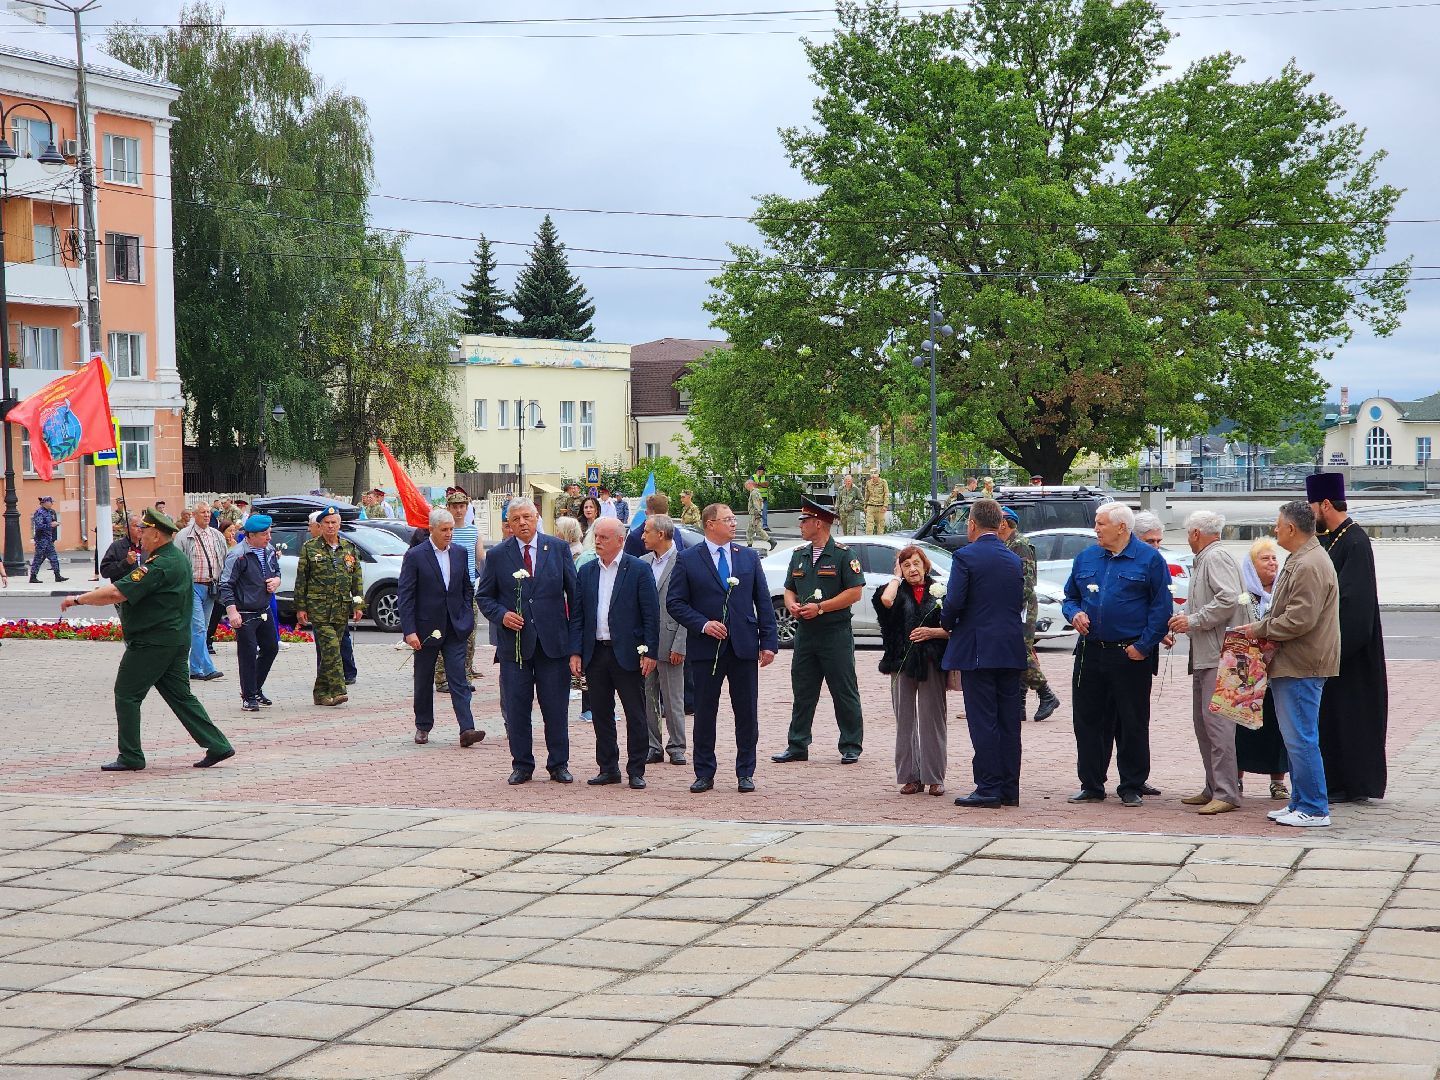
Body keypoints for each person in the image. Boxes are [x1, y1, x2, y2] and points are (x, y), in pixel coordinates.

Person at [60, 508, 234, 771]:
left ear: (156, 535)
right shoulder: (173, 558)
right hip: (174, 640)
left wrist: (77, 599)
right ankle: (218, 744)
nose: (139, 536)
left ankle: (130, 756)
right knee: (181, 696)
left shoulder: (159, 564)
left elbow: (116, 593)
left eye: (144, 531)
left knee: (127, 694)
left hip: (152, 642)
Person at [1061, 502, 1172, 807]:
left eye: (1101, 524)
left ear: (1121, 527)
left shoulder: (1149, 559)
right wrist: (1074, 614)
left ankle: (1132, 784)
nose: (1096, 529)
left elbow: (1161, 608)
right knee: (1088, 720)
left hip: (1130, 653)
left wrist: (1143, 646)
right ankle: (1092, 784)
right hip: (1091, 652)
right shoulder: (1086, 557)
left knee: (1132, 720)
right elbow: (1070, 597)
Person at [1238, 500, 1340, 827]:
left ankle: (1313, 807)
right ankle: (1300, 801)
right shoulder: (1301, 558)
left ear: (1292, 529)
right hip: (1294, 663)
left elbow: (1299, 619)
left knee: (1300, 738)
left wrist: (1259, 628)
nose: (1275, 530)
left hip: (1301, 664)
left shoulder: (1309, 563)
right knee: (1295, 737)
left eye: (1278, 525)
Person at [667, 502, 778, 793]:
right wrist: (703, 624)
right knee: (705, 713)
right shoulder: (689, 559)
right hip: (706, 649)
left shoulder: (748, 557)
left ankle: (745, 772)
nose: (733, 524)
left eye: (733, 518)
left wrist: (768, 642)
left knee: (746, 713)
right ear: (709, 524)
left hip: (743, 647)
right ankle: (704, 772)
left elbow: (763, 602)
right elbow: (675, 603)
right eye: (727, 519)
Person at [476, 498, 581, 785]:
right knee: (517, 708)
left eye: (527, 517)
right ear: (508, 523)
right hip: (516, 648)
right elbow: (484, 596)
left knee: (555, 709)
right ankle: (522, 764)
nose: (522, 523)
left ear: (537, 518)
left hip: (553, 645)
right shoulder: (497, 555)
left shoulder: (558, 549)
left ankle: (558, 764)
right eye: (516, 519)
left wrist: (575, 645)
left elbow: (575, 596)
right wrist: (502, 615)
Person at [939, 499, 1027, 808]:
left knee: (983, 721)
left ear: (973, 524)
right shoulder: (1013, 558)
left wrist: (947, 624)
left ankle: (988, 786)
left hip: (978, 648)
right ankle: (1008, 788)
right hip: (1010, 647)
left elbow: (954, 602)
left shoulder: (965, 556)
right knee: (1008, 721)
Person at [1308, 473, 1387, 803]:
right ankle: (1336, 781)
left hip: (1350, 653)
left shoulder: (1354, 541)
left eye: (1312, 505)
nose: (1310, 511)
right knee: (1332, 720)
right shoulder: (1332, 538)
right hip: (1334, 650)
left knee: (1352, 719)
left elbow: (1354, 605)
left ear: (1326, 504)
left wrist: (1334, 648)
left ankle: (1354, 784)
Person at [772, 497, 866, 766]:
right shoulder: (798, 555)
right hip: (806, 633)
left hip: (834, 633)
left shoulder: (843, 555)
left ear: (819, 523)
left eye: (804, 521)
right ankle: (797, 744)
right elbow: (790, 587)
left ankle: (851, 744)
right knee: (803, 689)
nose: (800, 525)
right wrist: (791, 604)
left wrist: (821, 607)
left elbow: (854, 592)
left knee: (843, 689)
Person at [1167, 511, 1245, 815]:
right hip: (1207, 654)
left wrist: (1194, 620)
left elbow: (1228, 599)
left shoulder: (1214, 558)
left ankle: (1226, 791)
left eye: (1188, 533)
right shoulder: (1209, 558)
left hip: (1218, 654)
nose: (1188, 538)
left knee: (1217, 726)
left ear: (1197, 533)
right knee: (1205, 725)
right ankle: (1214, 786)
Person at [575, 518, 660, 788]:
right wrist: (575, 652)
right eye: (596, 536)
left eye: (603, 537)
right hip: (596, 652)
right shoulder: (586, 571)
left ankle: (636, 769)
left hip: (628, 653)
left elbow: (651, 614)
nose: (597, 541)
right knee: (601, 713)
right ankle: (608, 767)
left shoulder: (637, 569)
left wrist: (650, 652)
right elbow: (577, 616)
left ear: (620, 540)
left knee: (635, 713)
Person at [399, 507, 484, 748]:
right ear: (432, 530)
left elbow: (467, 587)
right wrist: (410, 631)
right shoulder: (416, 555)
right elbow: (406, 594)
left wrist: (466, 616)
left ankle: (467, 728)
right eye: (444, 530)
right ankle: (423, 726)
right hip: (425, 630)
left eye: (451, 530)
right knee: (424, 679)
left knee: (459, 678)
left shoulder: (460, 552)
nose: (449, 534)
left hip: (455, 628)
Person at [875, 544, 950, 796]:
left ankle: (935, 777)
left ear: (925, 565)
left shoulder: (942, 591)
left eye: (916, 563)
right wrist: (896, 578)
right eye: (906, 565)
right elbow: (885, 601)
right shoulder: (892, 591)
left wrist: (932, 633)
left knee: (933, 720)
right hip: (900, 663)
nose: (912, 569)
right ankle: (910, 776)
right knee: (904, 720)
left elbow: (954, 627)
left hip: (931, 661)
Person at [997, 507, 1062, 721]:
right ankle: (1019, 705)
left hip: (1021, 606)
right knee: (1020, 651)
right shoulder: (1007, 544)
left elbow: (1027, 583)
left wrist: (1012, 608)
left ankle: (1046, 694)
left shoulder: (1020, 545)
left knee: (1019, 652)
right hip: (1014, 605)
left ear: (1004, 523)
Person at [295, 507, 364, 707]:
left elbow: (357, 579)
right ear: (320, 526)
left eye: (334, 522)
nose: (331, 526)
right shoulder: (310, 548)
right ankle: (338, 689)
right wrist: (300, 607)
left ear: (339, 524)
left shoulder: (349, 548)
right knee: (332, 647)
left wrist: (358, 605)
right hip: (319, 608)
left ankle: (320, 692)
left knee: (328, 651)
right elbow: (302, 580)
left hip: (341, 608)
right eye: (327, 523)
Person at [1238, 538, 1290, 799]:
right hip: (1246, 671)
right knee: (1241, 724)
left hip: (1277, 670)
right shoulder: (1243, 593)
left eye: (1273, 558)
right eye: (1265, 558)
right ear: (1251, 565)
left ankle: (1278, 782)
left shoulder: (1283, 590)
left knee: (1276, 725)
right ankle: (1236, 778)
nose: (1272, 562)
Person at [220, 513, 282, 711]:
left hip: (263, 608)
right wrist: (232, 612)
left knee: (271, 648)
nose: (269, 538)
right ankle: (248, 696)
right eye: (265, 534)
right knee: (247, 654)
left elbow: (276, 571)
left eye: (269, 533)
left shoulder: (269, 550)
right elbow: (225, 585)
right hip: (244, 612)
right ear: (251, 535)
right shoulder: (238, 554)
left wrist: (276, 581)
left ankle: (255, 687)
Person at [641, 514, 688, 766]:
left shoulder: (685, 561)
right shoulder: (642, 562)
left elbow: (689, 604)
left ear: (660, 534)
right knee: (647, 696)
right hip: (645, 643)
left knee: (673, 698)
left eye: (646, 531)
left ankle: (677, 745)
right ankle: (652, 745)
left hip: (671, 641)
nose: (642, 536)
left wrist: (680, 642)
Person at [436, 489, 485, 692]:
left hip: (468, 589)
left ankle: (464, 675)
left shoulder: (473, 531)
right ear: (448, 508)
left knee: (469, 633)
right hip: (447, 590)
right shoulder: (446, 531)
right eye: (454, 507)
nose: (458, 510)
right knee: (443, 632)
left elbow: (481, 557)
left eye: (462, 506)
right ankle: (441, 677)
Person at [176, 501, 228, 683]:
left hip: (212, 587)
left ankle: (195, 669)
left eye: (208, 512)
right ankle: (208, 668)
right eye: (203, 512)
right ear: (194, 515)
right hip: (192, 587)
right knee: (198, 628)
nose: (207, 515)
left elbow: (224, 558)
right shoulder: (184, 536)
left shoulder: (216, 535)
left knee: (202, 629)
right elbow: (177, 562)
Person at [28, 496, 65, 583]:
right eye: (51, 502)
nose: (52, 503)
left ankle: (57, 576)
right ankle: (33, 577)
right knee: (38, 558)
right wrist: (51, 525)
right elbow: (39, 526)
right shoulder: (40, 512)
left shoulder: (49, 512)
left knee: (54, 557)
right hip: (41, 539)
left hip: (48, 539)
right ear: (45, 502)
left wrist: (54, 524)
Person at [101, 514, 144, 583]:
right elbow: (105, 571)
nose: (140, 529)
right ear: (126, 529)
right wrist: (126, 562)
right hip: (123, 589)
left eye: (142, 526)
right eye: (136, 526)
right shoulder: (116, 546)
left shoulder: (147, 546)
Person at [744, 480, 770, 548]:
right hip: (754, 514)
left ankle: (771, 541)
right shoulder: (755, 492)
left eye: (746, 486)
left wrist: (757, 514)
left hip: (754, 514)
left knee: (756, 530)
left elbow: (756, 504)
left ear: (750, 484)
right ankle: (749, 545)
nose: (746, 488)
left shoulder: (754, 493)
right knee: (751, 530)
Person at [863, 468, 889, 534]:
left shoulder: (883, 482)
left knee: (880, 528)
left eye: (875, 474)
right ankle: (869, 543)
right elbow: (867, 495)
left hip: (880, 507)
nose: (873, 476)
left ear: (878, 475)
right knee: (869, 527)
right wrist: (865, 506)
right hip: (870, 507)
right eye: (872, 475)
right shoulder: (868, 483)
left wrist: (885, 506)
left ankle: (879, 542)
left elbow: (886, 494)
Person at [752, 466, 770, 530]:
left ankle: (765, 526)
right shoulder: (753, 477)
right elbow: (752, 485)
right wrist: (762, 485)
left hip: (764, 498)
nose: (764, 472)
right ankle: (756, 526)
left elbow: (767, 484)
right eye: (763, 471)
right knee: (756, 513)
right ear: (759, 470)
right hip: (756, 498)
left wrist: (758, 484)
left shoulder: (765, 477)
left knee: (764, 512)